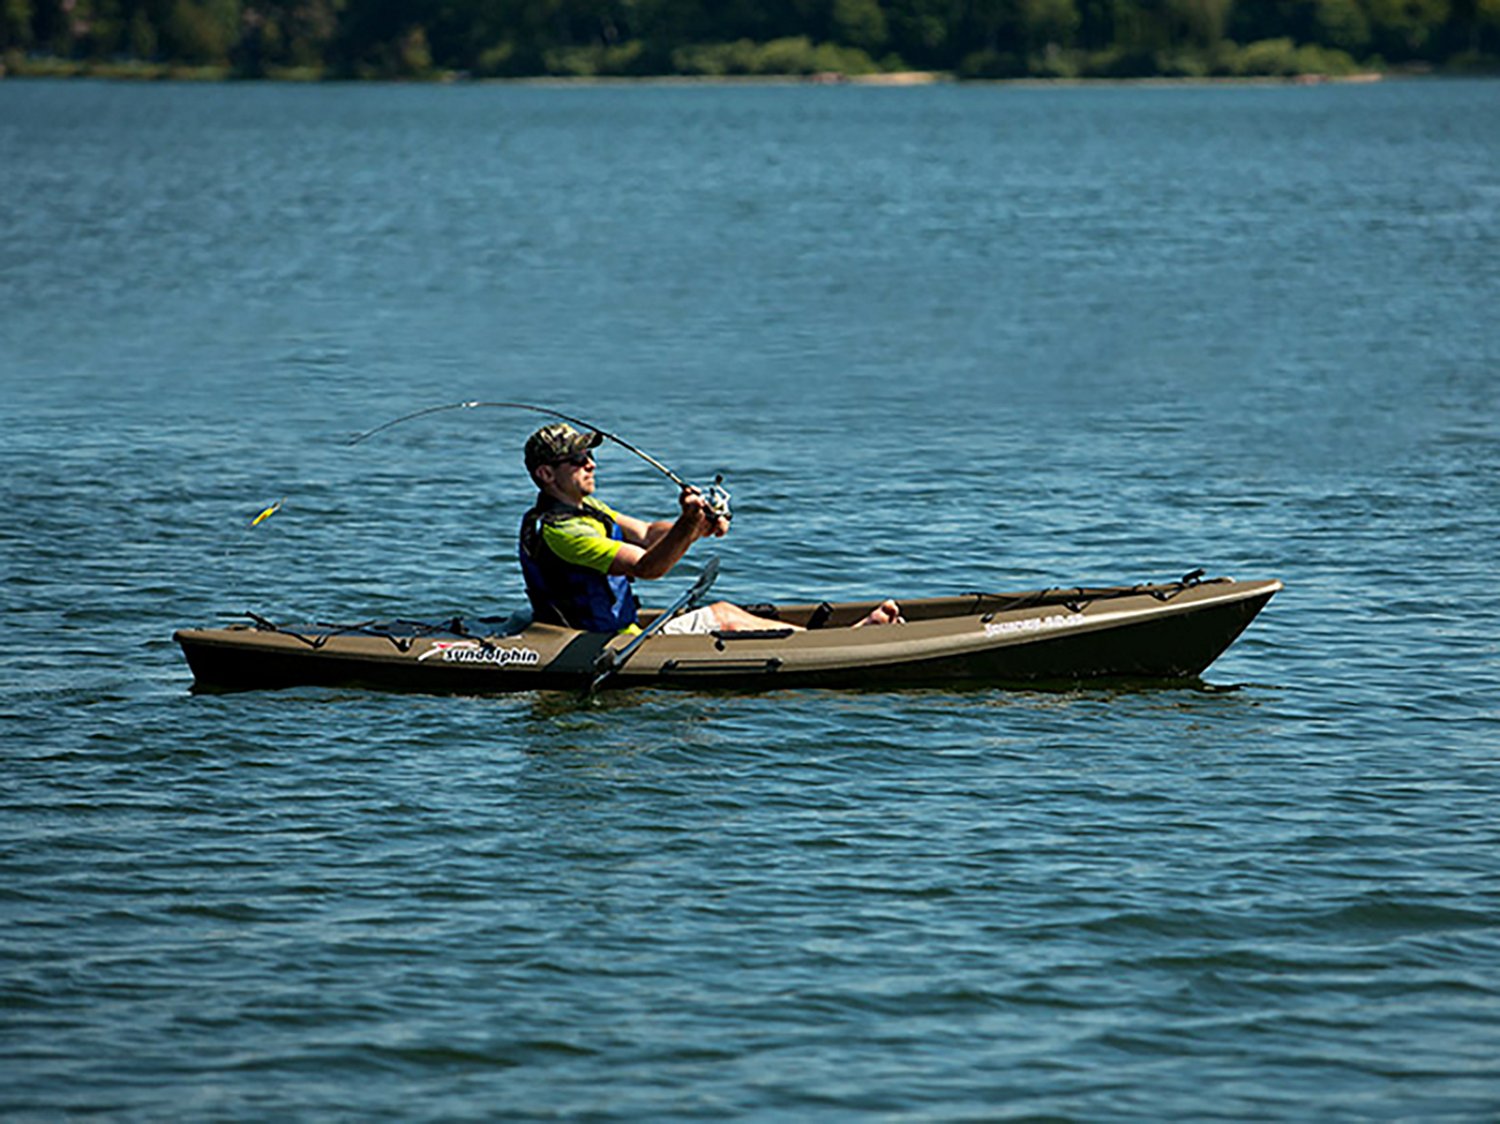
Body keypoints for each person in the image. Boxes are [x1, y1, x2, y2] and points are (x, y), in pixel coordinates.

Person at [518, 423, 902, 635]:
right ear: (546, 474)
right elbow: (649, 567)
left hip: (618, 630)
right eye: (578, 459)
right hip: (599, 644)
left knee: (725, 611)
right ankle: (847, 640)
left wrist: (698, 524)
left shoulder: (588, 509)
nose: (591, 464)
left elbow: (651, 534)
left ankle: (830, 639)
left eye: (591, 455)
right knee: (722, 617)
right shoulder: (564, 533)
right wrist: (687, 524)